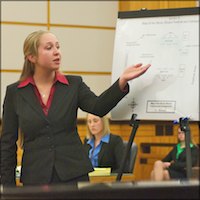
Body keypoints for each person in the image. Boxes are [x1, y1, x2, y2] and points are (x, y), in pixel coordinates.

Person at [0, 30, 151, 187]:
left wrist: (122, 81)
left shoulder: (74, 84)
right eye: (49, 47)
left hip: (72, 172)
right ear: (32, 57)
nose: (56, 52)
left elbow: (98, 107)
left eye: (58, 46)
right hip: (35, 175)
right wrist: (8, 186)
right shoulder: (15, 92)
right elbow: (7, 143)